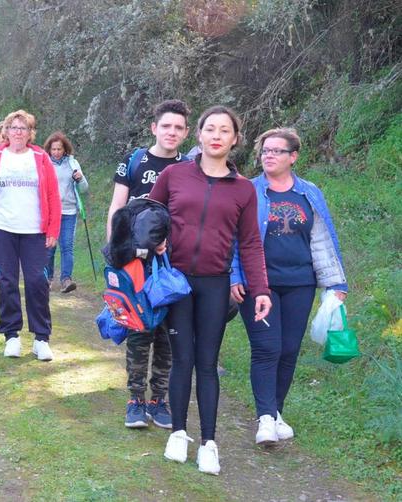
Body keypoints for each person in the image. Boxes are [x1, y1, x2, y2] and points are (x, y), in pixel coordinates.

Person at [150, 105, 272, 475]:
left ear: (235, 139)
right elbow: (149, 216)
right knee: (180, 358)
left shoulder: (244, 190)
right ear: (198, 135)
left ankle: (209, 443)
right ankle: (178, 434)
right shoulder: (174, 175)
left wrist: (261, 288)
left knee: (206, 363)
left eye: (225, 131)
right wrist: (156, 241)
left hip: (215, 284)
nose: (216, 136)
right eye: (210, 129)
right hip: (176, 282)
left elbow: (250, 243)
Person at [230, 128, 348, 445]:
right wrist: (234, 275)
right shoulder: (248, 191)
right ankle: (265, 419)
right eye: (265, 150)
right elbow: (234, 239)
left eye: (276, 151)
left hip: (300, 284)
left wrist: (336, 282)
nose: (268, 155)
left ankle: (276, 411)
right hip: (259, 284)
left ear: (292, 157)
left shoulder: (309, 193)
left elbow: (322, 240)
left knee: (289, 350)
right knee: (267, 348)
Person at [106, 99, 191, 430]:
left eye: (178, 128)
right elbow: (117, 207)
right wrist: (116, 254)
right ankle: (135, 400)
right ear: (154, 128)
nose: (171, 132)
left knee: (169, 334)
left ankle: (160, 400)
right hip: (135, 261)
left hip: (173, 265)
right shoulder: (135, 161)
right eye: (166, 126)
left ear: (186, 133)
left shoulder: (190, 166)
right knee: (139, 329)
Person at [0, 109, 61, 361]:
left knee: (36, 282)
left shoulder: (41, 157)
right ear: (6, 132)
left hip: (34, 230)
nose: (18, 132)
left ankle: (41, 338)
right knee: (7, 281)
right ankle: (11, 335)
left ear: (31, 133)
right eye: (14, 128)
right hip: (2, 228)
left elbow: (53, 195)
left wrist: (53, 229)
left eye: (23, 128)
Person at [43, 131, 89, 293]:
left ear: (65, 149)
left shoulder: (72, 163)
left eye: (59, 149)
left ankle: (66, 280)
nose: (56, 152)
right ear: (49, 149)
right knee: (49, 248)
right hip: (50, 212)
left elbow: (84, 189)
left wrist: (80, 178)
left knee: (67, 247)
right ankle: (47, 278)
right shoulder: (44, 163)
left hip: (69, 211)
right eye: (53, 149)